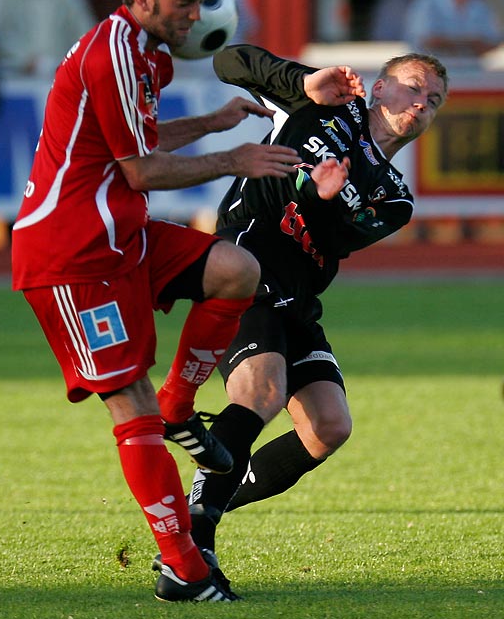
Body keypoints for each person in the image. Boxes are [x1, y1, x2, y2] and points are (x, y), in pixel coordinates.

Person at [11, 0, 302, 603]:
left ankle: (180, 408)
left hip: (120, 234)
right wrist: (235, 158)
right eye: (184, 3)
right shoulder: (111, 50)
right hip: (71, 255)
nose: (195, 16)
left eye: (200, 3)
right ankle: (184, 570)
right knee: (128, 402)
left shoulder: (142, 54)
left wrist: (215, 122)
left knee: (236, 270)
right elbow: (141, 170)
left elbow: (136, 142)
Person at [179, 44, 448, 595]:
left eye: (435, 100)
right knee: (262, 392)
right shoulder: (324, 104)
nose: (422, 104)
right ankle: (190, 551)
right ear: (379, 87)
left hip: (296, 297)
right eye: (414, 87)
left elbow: (333, 239)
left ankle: (198, 510)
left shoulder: (394, 197)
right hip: (245, 265)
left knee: (330, 427)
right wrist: (302, 80)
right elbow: (228, 61)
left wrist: (322, 199)